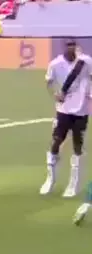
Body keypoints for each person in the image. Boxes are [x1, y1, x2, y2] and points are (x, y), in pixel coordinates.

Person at [41, 39, 92, 198]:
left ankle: (73, 184)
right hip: (63, 109)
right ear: (63, 47)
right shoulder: (55, 64)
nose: (71, 48)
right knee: (56, 141)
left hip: (82, 110)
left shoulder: (85, 62)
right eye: (68, 45)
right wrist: (55, 94)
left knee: (78, 146)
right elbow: (49, 83)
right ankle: (50, 179)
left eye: (73, 45)